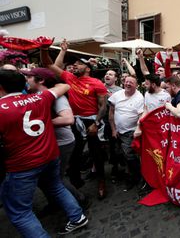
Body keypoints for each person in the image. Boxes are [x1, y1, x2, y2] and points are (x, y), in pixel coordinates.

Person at [0, 69, 88, 236]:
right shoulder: (41, 97)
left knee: (20, 212)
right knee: (55, 186)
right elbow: (63, 85)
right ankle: (77, 217)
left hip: (22, 165)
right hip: (49, 156)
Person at [41, 40, 108, 199]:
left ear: (88, 68)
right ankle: (76, 181)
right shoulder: (70, 78)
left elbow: (103, 106)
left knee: (96, 153)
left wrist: (96, 124)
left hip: (91, 121)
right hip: (74, 121)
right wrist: (58, 50)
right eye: (75, 64)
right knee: (75, 153)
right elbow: (50, 65)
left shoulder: (96, 83)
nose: (75, 66)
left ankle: (101, 182)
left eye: (79, 64)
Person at [22, 67, 89, 212]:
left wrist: (38, 122)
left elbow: (68, 118)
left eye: (29, 77)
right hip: (50, 142)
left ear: (41, 80)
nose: (26, 80)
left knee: (56, 178)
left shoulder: (57, 97)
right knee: (46, 178)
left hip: (63, 143)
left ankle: (79, 200)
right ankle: (56, 202)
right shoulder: (35, 95)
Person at [108, 76, 144, 191]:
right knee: (119, 154)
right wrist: (113, 129)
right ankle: (129, 173)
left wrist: (138, 130)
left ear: (136, 85)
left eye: (131, 82)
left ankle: (137, 177)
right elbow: (111, 113)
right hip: (117, 131)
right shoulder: (117, 95)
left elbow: (141, 116)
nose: (128, 84)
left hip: (131, 131)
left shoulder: (139, 97)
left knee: (130, 155)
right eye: (126, 82)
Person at [134, 73, 171, 137]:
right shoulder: (146, 94)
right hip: (150, 126)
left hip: (162, 128)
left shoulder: (166, 95)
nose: (145, 85)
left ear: (153, 85)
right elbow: (146, 109)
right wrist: (139, 123)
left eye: (147, 84)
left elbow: (169, 113)